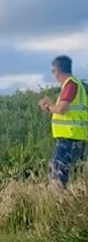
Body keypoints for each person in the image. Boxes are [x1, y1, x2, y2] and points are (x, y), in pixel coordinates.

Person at [39, 55, 88, 186]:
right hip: (76, 137)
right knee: (74, 179)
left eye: (53, 71)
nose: (53, 74)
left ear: (58, 70)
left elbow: (62, 109)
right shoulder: (77, 85)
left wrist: (49, 107)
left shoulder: (70, 85)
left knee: (57, 176)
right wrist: (51, 106)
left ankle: (58, 204)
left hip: (69, 139)